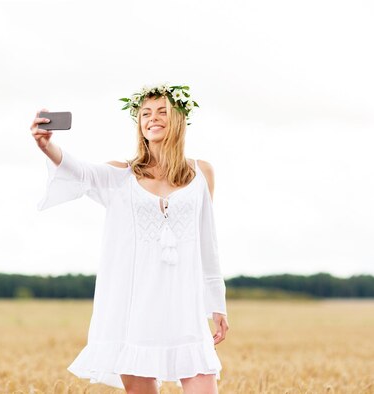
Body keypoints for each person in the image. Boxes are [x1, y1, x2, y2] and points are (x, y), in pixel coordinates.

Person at [30, 84, 229, 394]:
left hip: (184, 307)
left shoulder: (203, 173)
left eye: (162, 111)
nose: (153, 118)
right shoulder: (121, 176)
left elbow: (208, 243)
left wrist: (217, 303)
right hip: (134, 311)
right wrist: (47, 146)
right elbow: (81, 173)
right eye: (146, 113)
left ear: (179, 118)